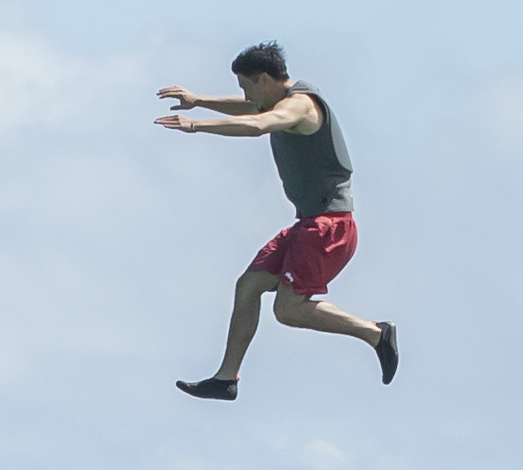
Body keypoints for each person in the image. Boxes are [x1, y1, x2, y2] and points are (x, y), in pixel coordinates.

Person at [156, 42, 396, 393]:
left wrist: (195, 125)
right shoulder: (279, 98)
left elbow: (259, 123)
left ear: (264, 79)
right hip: (308, 223)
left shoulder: (300, 106)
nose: (245, 94)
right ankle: (225, 380)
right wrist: (200, 99)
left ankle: (376, 334)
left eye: (246, 85)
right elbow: (254, 107)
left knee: (288, 311)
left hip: (329, 227)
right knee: (249, 285)